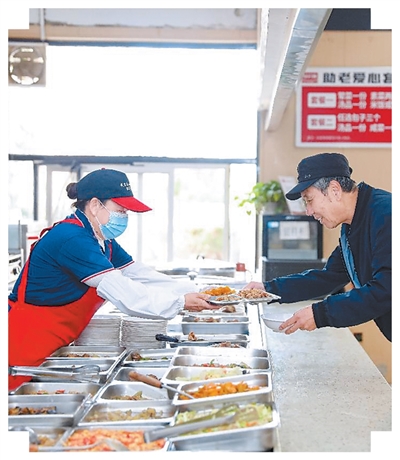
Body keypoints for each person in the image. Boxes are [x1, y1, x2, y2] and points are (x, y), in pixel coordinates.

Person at [8, 168, 220, 390]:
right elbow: (123, 292)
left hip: (51, 346)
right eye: (120, 210)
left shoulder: (101, 239)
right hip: (22, 346)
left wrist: (197, 291)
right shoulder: (72, 239)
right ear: (95, 205)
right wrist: (180, 303)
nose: (124, 216)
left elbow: (138, 274)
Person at [246, 152, 391, 342]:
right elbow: (328, 277)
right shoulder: (351, 225)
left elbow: (386, 290)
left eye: (309, 200)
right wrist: (268, 289)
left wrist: (319, 314)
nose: (308, 211)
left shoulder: (387, 215)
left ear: (335, 190)